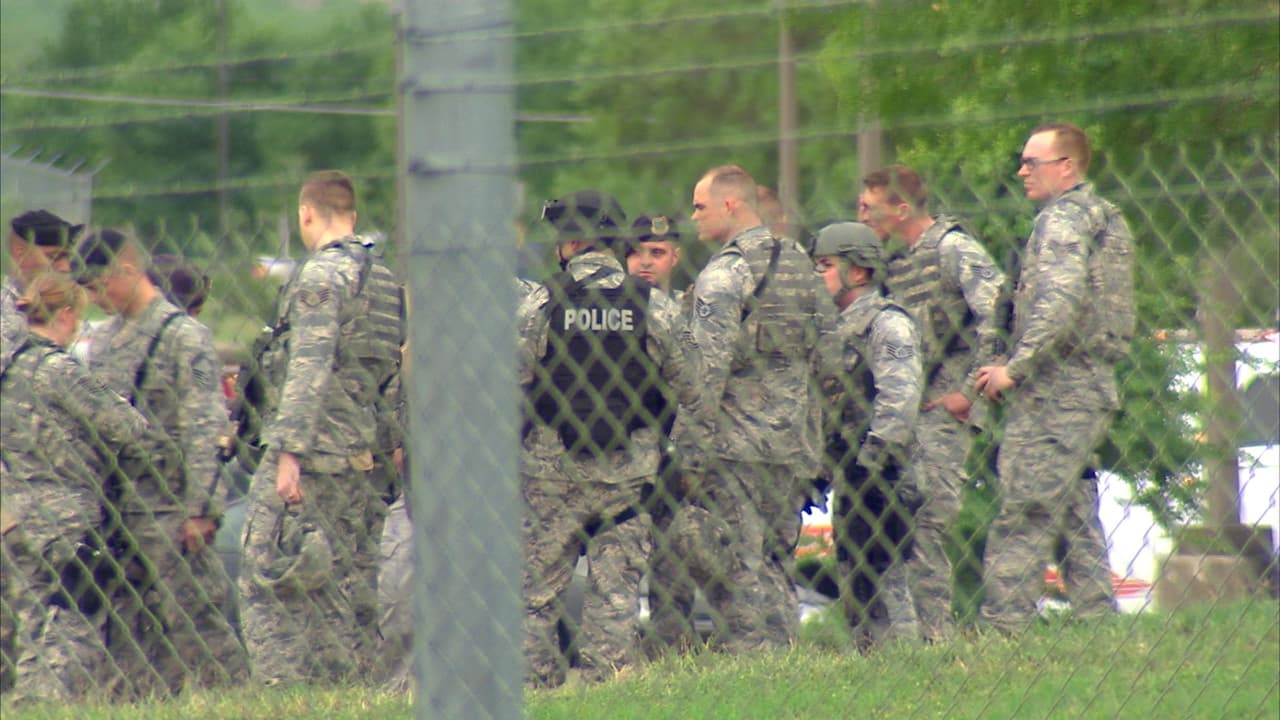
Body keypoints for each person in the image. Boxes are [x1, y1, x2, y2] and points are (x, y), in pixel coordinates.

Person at [519, 190, 700, 687]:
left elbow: (510, 382)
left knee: (535, 600)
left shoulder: (540, 302)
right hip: (628, 479)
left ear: (573, 242)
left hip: (552, 477)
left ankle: (533, 695)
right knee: (614, 598)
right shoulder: (655, 306)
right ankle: (604, 696)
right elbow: (694, 382)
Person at [237, 170, 403, 685]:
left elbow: (309, 366)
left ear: (306, 213)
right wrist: (389, 446)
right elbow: (389, 373)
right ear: (352, 215)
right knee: (345, 584)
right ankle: (347, 690)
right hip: (361, 455)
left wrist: (289, 453)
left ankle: (283, 691)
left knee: (264, 569)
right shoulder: (383, 280)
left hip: (312, 453)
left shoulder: (319, 277)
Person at [73, 229, 249, 696]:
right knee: (127, 630)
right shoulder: (104, 341)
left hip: (170, 507)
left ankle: (232, 703)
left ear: (128, 272)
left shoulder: (182, 336)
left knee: (196, 623)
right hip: (119, 507)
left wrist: (201, 507)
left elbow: (202, 424)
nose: (94, 298)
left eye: (98, 285)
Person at [975, 122, 1135, 632]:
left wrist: (1013, 369)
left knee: (1025, 509)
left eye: (1031, 162)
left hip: (1058, 387)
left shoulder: (1062, 220)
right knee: (1071, 508)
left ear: (1066, 166)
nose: (1021, 171)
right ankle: (1096, 623)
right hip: (1086, 384)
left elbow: (1059, 301)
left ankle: (1003, 630)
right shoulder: (1103, 217)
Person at [661, 165, 825, 654]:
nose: (693, 217)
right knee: (777, 562)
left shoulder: (723, 275)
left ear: (730, 205)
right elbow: (830, 356)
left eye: (699, 206)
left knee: (737, 565)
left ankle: (753, 665)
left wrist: (687, 456)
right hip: (791, 444)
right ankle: (785, 660)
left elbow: (704, 374)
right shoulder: (800, 265)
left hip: (734, 448)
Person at [857, 165, 1005, 642]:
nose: (861, 216)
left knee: (928, 520)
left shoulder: (952, 248)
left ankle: (936, 635)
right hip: (909, 412)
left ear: (901, 208)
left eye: (869, 207)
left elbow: (998, 313)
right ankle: (912, 636)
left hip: (944, 409)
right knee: (902, 520)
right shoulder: (899, 263)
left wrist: (972, 388)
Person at [0, 272, 148, 704]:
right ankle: (47, 704)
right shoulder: (57, 369)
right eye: (78, 318)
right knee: (74, 622)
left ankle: (27, 702)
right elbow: (127, 427)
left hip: (14, 515)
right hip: (65, 516)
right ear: (65, 314)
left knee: (32, 621)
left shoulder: (7, 371)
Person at [811, 222, 925, 645]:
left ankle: (904, 660)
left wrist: (874, 457)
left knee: (887, 577)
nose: (816, 275)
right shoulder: (834, 327)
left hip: (884, 473)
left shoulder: (886, 323)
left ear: (857, 272)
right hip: (851, 471)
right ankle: (873, 661)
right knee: (857, 579)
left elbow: (900, 395)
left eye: (825, 266)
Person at [2, 211, 81, 372]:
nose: (65, 267)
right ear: (20, 253)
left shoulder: (67, 308)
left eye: (67, 258)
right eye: (54, 257)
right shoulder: (5, 313)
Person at [625, 214, 682, 297]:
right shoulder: (606, 302)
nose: (645, 262)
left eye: (656, 252)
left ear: (674, 257)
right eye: (636, 252)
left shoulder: (689, 306)